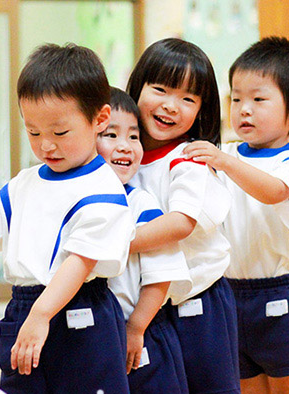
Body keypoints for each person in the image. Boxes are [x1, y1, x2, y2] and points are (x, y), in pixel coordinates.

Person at [0, 43, 134, 394]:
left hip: (81, 313)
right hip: (26, 308)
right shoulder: (26, 182)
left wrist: (41, 315)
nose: (45, 145)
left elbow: (80, 262)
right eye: (33, 132)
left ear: (99, 119)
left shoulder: (103, 187)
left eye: (59, 133)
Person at [183, 36, 289, 394]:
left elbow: (274, 191)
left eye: (258, 99)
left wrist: (225, 162)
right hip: (228, 292)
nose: (244, 108)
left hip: (282, 292)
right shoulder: (225, 153)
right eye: (237, 98)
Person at [125, 38, 239, 394]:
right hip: (151, 307)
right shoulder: (125, 157)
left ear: (203, 110)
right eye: (160, 89)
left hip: (198, 301)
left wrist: (112, 244)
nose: (171, 106)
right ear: (137, 87)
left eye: (188, 99)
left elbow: (180, 223)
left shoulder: (188, 159)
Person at [101, 87, 192, 393]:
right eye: (111, 135)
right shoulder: (73, 200)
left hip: (139, 330)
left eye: (134, 136)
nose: (125, 146)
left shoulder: (142, 204)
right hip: (93, 336)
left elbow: (161, 276)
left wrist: (136, 327)